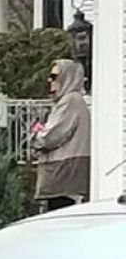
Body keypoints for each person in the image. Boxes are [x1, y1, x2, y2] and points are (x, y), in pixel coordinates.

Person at [32, 59, 91, 211]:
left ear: (68, 77)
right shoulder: (72, 101)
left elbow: (50, 137)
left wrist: (37, 133)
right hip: (66, 171)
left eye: (54, 76)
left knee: (60, 217)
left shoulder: (70, 100)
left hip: (64, 173)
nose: (49, 80)